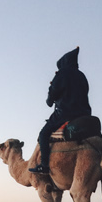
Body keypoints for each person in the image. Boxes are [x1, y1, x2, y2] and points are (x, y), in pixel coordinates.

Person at [28, 46, 91, 176]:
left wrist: (49, 99)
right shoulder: (82, 76)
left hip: (66, 113)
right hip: (85, 114)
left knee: (43, 134)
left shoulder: (62, 74)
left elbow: (52, 95)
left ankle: (44, 166)